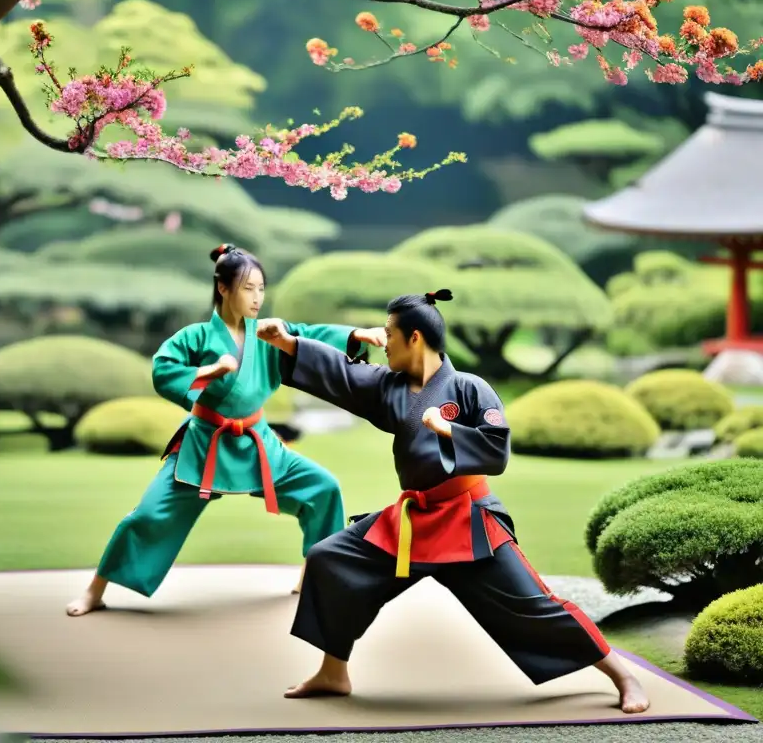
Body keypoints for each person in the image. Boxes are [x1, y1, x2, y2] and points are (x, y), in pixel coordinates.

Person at [256, 290, 650, 714]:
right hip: (412, 522)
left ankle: (622, 675)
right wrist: (288, 343)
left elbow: (496, 452)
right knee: (330, 559)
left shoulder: (469, 388)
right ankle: (333, 672)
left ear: (415, 338)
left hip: (468, 523)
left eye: (389, 334)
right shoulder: (391, 387)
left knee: (533, 605)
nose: (382, 341)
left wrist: (447, 431)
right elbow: (347, 375)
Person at [65, 244, 386, 616]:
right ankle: (95, 591)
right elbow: (163, 369)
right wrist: (206, 373)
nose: (257, 297)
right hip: (205, 445)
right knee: (147, 516)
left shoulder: (266, 333)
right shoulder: (196, 337)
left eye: (261, 288)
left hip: (258, 444)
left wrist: (357, 335)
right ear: (223, 288)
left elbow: (306, 334)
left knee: (323, 488)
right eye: (249, 288)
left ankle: (316, 576)